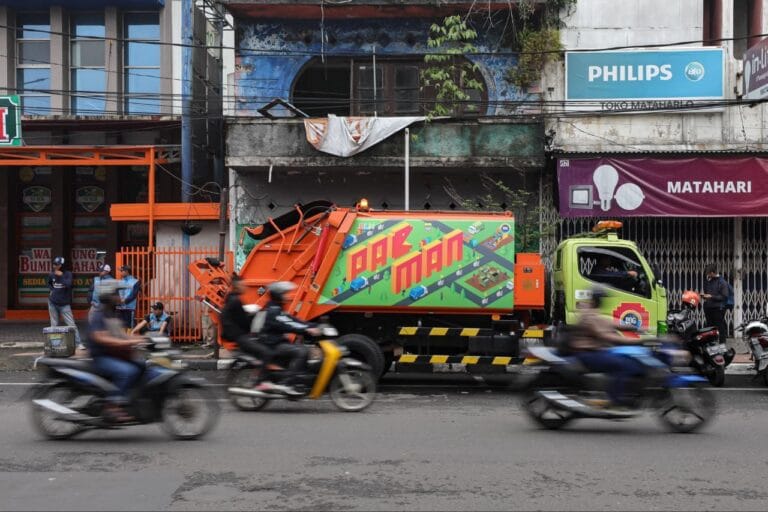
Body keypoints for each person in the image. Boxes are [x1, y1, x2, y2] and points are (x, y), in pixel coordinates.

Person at [567, 286, 646, 408]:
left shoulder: (593, 312)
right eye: (602, 299)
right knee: (623, 365)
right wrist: (635, 341)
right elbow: (605, 335)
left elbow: (610, 323)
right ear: (598, 300)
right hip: (587, 354)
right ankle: (614, 401)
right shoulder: (589, 315)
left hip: (596, 352)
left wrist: (636, 327)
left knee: (629, 360)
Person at [87, 279, 147, 423]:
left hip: (113, 354)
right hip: (101, 357)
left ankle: (131, 400)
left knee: (141, 364)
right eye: (116, 294)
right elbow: (102, 338)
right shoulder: (99, 314)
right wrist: (129, 342)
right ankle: (112, 406)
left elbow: (121, 335)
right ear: (109, 296)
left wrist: (142, 339)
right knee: (127, 371)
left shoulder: (112, 314)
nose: (119, 297)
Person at [258, 281, 322, 396]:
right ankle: (287, 384)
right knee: (302, 351)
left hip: (276, 342)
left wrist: (313, 325)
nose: (287, 296)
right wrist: (306, 329)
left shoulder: (277, 308)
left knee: (301, 348)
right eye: (284, 294)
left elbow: (293, 320)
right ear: (278, 295)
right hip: (273, 344)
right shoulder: (274, 311)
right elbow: (289, 324)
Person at [47, 256, 83, 350]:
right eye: (54, 264)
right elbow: (49, 283)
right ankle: (54, 345)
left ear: (62, 265)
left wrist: (61, 276)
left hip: (64, 304)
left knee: (71, 324)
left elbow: (69, 285)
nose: (54, 266)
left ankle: (78, 343)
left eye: (57, 264)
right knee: (54, 325)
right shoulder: (51, 274)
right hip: (53, 302)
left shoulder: (68, 274)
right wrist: (52, 290)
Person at [702, 263, 729, 345]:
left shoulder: (722, 282)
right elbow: (707, 292)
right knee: (709, 326)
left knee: (720, 326)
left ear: (712, 273)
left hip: (718, 308)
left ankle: (722, 343)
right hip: (709, 307)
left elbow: (724, 296)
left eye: (708, 273)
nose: (707, 275)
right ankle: (710, 343)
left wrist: (711, 296)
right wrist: (705, 296)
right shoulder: (708, 281)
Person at [116, 265, 141, 329]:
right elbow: (117, 292)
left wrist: (125, 301)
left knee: (129, 326)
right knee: (121, 326)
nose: (121, 272)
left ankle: (129, 335)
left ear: (127, 271)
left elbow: (134, 294)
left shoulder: (135, 281)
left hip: (129, 307)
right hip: (120, 307)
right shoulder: (120, 281)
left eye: (122, 271)